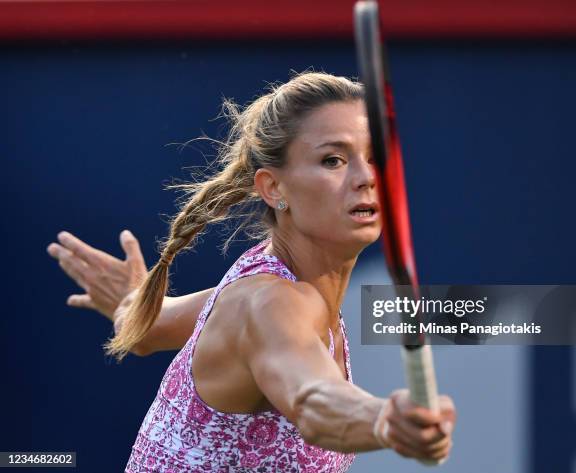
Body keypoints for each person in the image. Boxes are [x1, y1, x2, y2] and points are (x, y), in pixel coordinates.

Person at [48, 72, 455, 472]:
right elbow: (313, 402)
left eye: (375, 157)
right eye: (333, 160)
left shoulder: (257, 292)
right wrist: (383, 420)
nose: (365, 178)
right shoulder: (268, 304)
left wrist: (129, 301)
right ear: (273, 188)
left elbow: (150, 328)